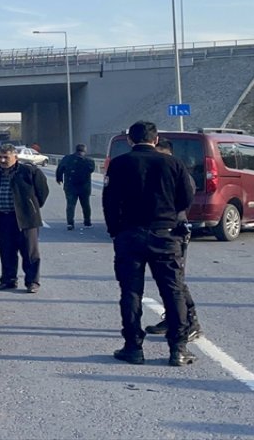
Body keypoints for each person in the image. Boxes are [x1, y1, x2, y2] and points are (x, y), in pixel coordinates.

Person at [102, 121, 197, 367]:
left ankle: (133, 347)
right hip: (165, 234)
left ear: (130, 141)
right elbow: (186, 198)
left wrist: (115, 230)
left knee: (131, 292)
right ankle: (178, 348)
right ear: (155, 140)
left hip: (129, 234)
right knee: (173, 291)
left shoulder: (119, 164)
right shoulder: (173, 163)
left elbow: (109, 201)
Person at [144, 136, 201, 342]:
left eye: (157, 152)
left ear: (166, 151)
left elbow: (183, 201)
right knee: (166, 280)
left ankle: (191, 322)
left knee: (176, 280)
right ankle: (173, 318)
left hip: (174, 229)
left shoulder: (179, 173)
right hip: (159, 230)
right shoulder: (159, 172)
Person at [0, 143, 50, 293]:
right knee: (7, 251)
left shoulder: (28, 171)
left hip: (26, 219)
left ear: (15, 157)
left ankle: (32, 282)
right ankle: (8, 280)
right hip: (3, 218)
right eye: (0, 157)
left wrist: (31, 207)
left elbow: (42, 191)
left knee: (29, 252)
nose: (2, 160)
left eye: (6, 157)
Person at [55, 143, 96, 229]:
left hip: (70, 185)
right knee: (85, 204)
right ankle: (87, 222)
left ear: (76, 150)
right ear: (85, 150)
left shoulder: (67, 158)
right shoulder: (89, 160)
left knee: (70, 205)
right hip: (84, 186)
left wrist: (59, 178)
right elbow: (91, 169)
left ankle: (70, 223)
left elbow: (60, 168)